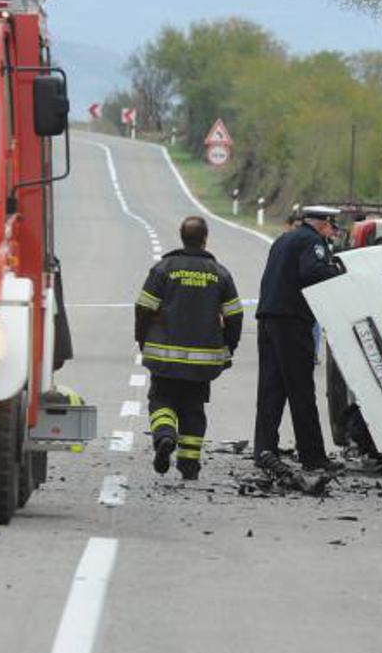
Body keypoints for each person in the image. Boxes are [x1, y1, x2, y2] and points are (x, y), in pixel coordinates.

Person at [135, 216, 243, 479]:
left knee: (161, 400)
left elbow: (143, 308)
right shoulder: (220, 273)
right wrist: (229, 346)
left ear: (182, 237)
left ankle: (164, 436)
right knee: (193, 409)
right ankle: (189, 465)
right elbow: (235, 315)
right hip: (203, 361)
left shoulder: (164, 269)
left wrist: (142, 340)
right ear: (205, 239)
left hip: (164, 357)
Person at [253, 204, 342, 472]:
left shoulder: (284, 239)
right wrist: (337, 270)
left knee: (271, 389)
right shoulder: (313, 242)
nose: (333, 231)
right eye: (332, 225)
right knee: (301, 390)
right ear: (323, 224)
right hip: (292, 322)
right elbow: (312, 273)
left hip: (268, 319)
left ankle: (264, 449)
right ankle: (313, 456)